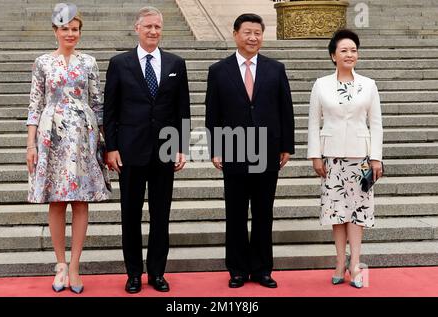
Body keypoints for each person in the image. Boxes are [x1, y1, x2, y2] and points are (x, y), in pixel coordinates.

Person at [103, 6, 190, 293]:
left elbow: (183, 110)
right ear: (137, 28)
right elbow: (111, 111)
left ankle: (156, 273)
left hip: (165, 150)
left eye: (157, 27)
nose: (153, 31)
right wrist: (111, 147)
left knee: (161, 215)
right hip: (129, 152)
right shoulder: (120, 63)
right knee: (130, 214)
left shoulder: (176, 63)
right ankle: (133, 274)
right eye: (148, 26)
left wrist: (182, 146)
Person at [26, 3, 111, 294]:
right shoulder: (42, 63)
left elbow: (98, 104)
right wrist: (30, 145)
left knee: (81, 199)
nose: (70, 34)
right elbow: (35, 106)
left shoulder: (89, 62)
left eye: (75, 29)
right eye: (65, 29)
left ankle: (75, 265)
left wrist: (105, 142)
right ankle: (60, 264)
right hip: (52, 136)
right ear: (55, 31)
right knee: (56, 199)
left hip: (85, 135)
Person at [205, 13, 295, 289]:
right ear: (235, 34)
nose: (253, 37)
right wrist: (215, 148)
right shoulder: (219, 70)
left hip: (267, 150)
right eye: (247, 32)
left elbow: (285, 109)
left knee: (263, 212)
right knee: (235, 213)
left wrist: (286, 146)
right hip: (233, 148)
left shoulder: (275, 68)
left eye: (257, 32)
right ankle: (237, 270)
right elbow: (213, 113)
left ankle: (262, 269)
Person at [307, 29, 383, 289]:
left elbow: (376, 125)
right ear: (333, 55)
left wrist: (376, 159)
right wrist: (315, 156)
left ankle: (356, 265)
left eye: (353, 50)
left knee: (358, 214)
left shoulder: (369, 85)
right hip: (332, 160)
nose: (349, 54)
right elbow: (313, 123)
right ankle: (340, 263)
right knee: (337, 214)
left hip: (361, 160)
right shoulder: (321, 85)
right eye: (344, 50)